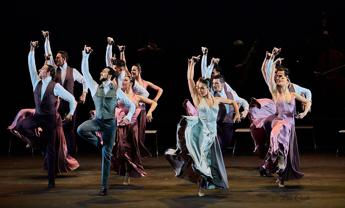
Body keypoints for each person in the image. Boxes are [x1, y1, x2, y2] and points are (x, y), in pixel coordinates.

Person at [165, 56, 240, 197]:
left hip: (213, 134)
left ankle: (213, 182)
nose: (199, 90)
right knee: (201, 160)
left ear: (208, 87)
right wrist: (191, 64)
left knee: (212, 161)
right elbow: (189, 80)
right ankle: (201, 187)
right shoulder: (197, 99)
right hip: (201, 134)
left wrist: (237, 114)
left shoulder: (217, 99)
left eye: (202, 88)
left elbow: (233, 102)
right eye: (198, 88)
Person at [15, 41, 77, 188]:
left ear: (48, 72)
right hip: (38, 117)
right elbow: (30, 65)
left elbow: (72, 99)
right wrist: (31, 49)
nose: (39, 70)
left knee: (51, 150)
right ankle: (38, 143)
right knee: (21, 125)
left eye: (42, 69)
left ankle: (51, 181)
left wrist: (71, 113)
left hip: (50, 121)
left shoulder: (56, 87)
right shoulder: (36, 81)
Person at [77, 45, 135, 196]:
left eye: (103, 72)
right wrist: (86, 55)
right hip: (97, 121)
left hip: (110, 125)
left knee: (106, 157)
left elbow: (131, 105)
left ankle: (104, 187)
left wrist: (128, 117)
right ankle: (98, 143)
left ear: (109, 76)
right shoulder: (95, 86)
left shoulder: (117, 91)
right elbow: (85, 72)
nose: (100, 73)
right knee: (81, 129)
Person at [249, 47, 311, 187]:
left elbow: (307, 101)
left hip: (290, 123)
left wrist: (304, 112)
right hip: (279, 121)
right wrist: (270, 58)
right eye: (277, 76)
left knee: (286, 149)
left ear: (287, 79)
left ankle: (281, 175)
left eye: (281, 76)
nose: (278, 78)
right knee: (277, 133)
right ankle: (279, 158)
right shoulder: (274, 92)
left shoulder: (293, 94)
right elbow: (265, 72)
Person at [42, 30, 88, 155]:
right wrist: (47, 39)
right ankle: (56, 153)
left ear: (64, 58)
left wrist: (84, 94)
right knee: (54, 128)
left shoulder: (72, 71)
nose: (55, 59)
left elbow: (85, 81)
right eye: (55, 58)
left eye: (58, 58)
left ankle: (70, 154)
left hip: (69, 104)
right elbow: (48, 53)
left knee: (69, 129)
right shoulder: (53, 69)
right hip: (55, 104)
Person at [112, 75, 157, 185]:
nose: (123, 82)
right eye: (122, 80)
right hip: (121, 127)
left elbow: (154, 103)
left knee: (132, 149)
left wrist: (150, 112)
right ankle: (125, 171)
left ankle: (128, 173)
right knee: (122, 149)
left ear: (131, 83)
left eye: (126, 80)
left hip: (133, 127)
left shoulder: (137, 97)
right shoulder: (119, 95)